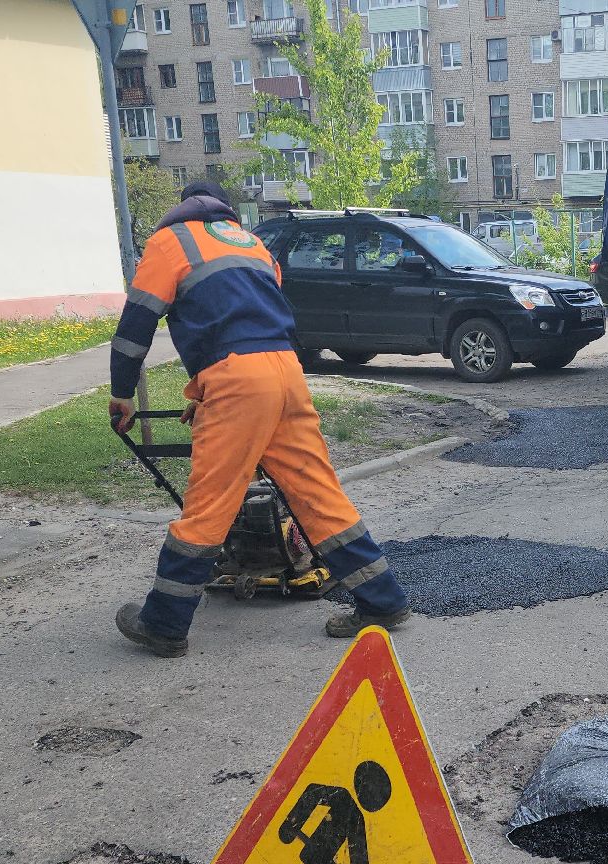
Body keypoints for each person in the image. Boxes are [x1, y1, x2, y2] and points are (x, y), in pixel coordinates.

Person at [108, 181, 410, 656]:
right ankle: (383, 600)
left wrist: (123, 392)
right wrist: (207, 392)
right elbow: (253, 318)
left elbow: (136, 326)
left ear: (183, 207)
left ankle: (163, 625)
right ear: (222, 211)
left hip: (237, 381)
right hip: (286, 372)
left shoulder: (170, 242)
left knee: (209, 505)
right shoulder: (252, 243)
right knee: (318, 492)